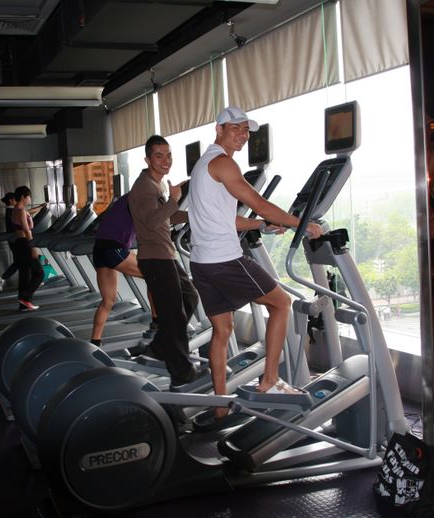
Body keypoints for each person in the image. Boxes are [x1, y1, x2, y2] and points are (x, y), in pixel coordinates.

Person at [188, 106, 323, 417]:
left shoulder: (203, 165)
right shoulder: (224, 163)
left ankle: (220, 407)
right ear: (219, 129)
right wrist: (301, 224)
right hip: (224, 260)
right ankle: (270, 380)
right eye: (236, 128)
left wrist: (261, 226)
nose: (243, 134)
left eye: (246, 130)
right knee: (282, 303)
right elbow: (259, 203)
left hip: (202, 262)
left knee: (222, 330)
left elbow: (229, 219)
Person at [129, 135, 201, 388]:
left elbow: (166, 217)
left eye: (168, 155)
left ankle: (160, 347)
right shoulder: (144, 187)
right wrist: (173, 200)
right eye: (159, 156)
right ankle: (182, 373)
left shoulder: (156, 183)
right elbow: (153, 221)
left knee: (189, 297)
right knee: (174, 315)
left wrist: (194, 215)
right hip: (155, 258)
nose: (165, 160)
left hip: (165, 255)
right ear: (148, 159)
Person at [89, 193, 156, 347]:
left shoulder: (125, 199)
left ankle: (95, 342)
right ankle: (157, 323)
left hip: (99, 249)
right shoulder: (139, 198)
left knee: (108, 301)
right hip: (114, 249)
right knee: (154, 274)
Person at [11, 186, 45, 311]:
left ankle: (23, 305)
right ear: (23, 197)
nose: (30, 199)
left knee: (24, 274)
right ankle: (25, 297)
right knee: (39, 273)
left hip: (19, 243)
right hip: (26, 243)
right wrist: (33, 247)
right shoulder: (21, 211)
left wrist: (41, 207)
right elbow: (26, 229)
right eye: (29, 196)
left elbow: (28, 213)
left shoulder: (16, 210)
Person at [0, 192, 18, 291]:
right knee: (20, 261)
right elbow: (27, 213)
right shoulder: (11, 211)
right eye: (15, 199)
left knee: (19, 261)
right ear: (11, 201)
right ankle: (2, 278)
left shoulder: (10, 210)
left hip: (14, 239)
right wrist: (40, 208)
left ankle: (2, 278)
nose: (16, 201)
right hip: (14, 240)